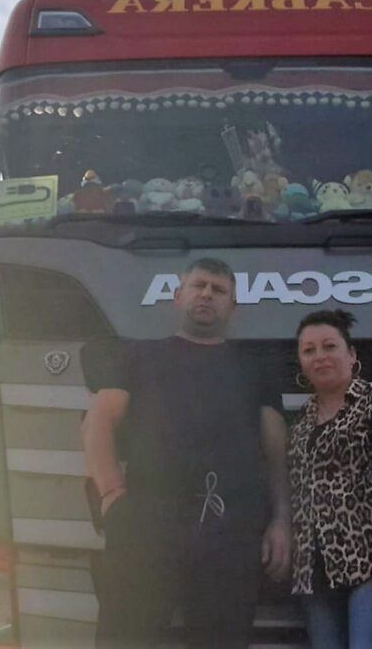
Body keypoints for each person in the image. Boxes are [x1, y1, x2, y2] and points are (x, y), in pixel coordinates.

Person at [81, 257, 291, 649]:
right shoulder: (138, 355)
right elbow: (98, 422)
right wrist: (112, 494)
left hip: (231, 535)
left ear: (233, 306)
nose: (207, 295)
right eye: (199, 286)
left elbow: (277, 451)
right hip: (145, 523)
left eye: (219, 290)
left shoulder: (255, 367)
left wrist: (281, 520)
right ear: (178, 297)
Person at [287, 310, 372, 649]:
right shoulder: (302, 421)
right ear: (301, 362)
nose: (319, 356)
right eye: (309, 350)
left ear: (351, 354)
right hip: (316, 574)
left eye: (329, 346)